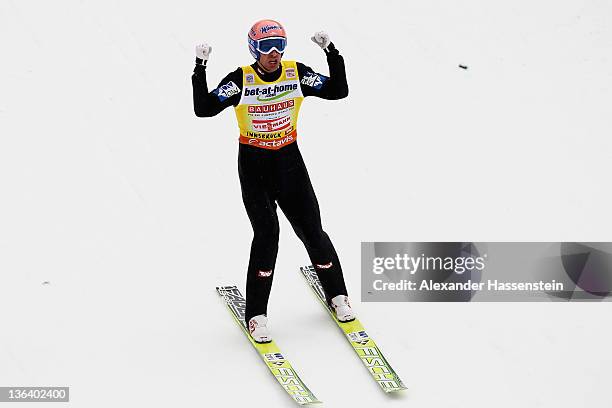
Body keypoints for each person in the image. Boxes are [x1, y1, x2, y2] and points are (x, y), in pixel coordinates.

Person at [192, 19, 354, 343]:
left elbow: (338, 90)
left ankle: (338, 295)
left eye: (279, 46)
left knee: (313, 230)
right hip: (254, 168)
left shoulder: (295, 73)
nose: (274, 54)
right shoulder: (242, 80)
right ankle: (256, 315)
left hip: (289, 162)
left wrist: (331, 52)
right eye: (266, 48)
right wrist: (200, 67)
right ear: (254, 49)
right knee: (268, 235)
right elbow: (204, 108)